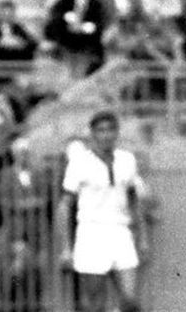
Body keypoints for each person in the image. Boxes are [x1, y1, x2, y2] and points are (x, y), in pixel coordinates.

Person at [57, 111, 149, 312]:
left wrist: (142, 238)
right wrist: (66, 247)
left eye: (110, 130)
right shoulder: (80, 162)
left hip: (121, 231)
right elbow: (65, 206)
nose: (106, 135)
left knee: (130, 301)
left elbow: (134, 201)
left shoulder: (127, 160)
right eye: (101, 131)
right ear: (92, 134)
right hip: (91, 232)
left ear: (117, 133)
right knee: (95, 303)